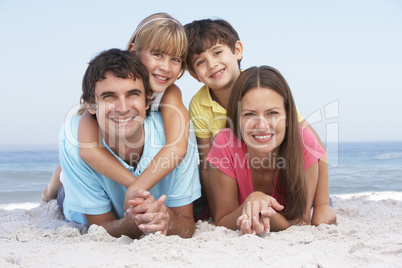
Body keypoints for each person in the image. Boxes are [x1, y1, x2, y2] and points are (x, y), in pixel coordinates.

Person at [184, 19, 331, 224]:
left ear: (237, 50)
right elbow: (207, 163)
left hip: (280, 173)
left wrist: (323, 203)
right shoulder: (200, 104)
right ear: (194, 74)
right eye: (200, 61)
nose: (212, 64)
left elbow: (314, 148)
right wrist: (218, 211)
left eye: (217, 53)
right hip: (230, 174)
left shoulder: (264, 88)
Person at [43, 13, 190, 206]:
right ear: (134, 51)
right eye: (158, 55)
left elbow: (177, 147)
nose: (166, 67)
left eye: (176, 59)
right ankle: (48, 193)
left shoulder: (170, 94)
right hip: (96, 150)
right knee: (62, 178)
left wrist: (138, 186)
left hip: (125, 147)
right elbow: (89, 152)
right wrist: (137, 186)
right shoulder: (109, 90)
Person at [57, 48, 201, 239]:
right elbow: (100, 226)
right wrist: (135, 221)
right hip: (74, 201)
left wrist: (168, 220)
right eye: (109, 97)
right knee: (60, 189)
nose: (123, 108)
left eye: (133, 94)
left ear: (147, 99)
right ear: (91, 104)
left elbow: (186, 224)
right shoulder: (73, 139)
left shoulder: (177, 134)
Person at [207, 66, 336, 235]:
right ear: (236, 118)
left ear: (288, 116)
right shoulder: (225, 143)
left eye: (272, 113)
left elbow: (302, 222)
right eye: (249, 114)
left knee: (322, 216)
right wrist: (251, 203)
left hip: (308, 198)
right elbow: (222, 220)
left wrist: (267, 213)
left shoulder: (304, 141)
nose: (261, 126)